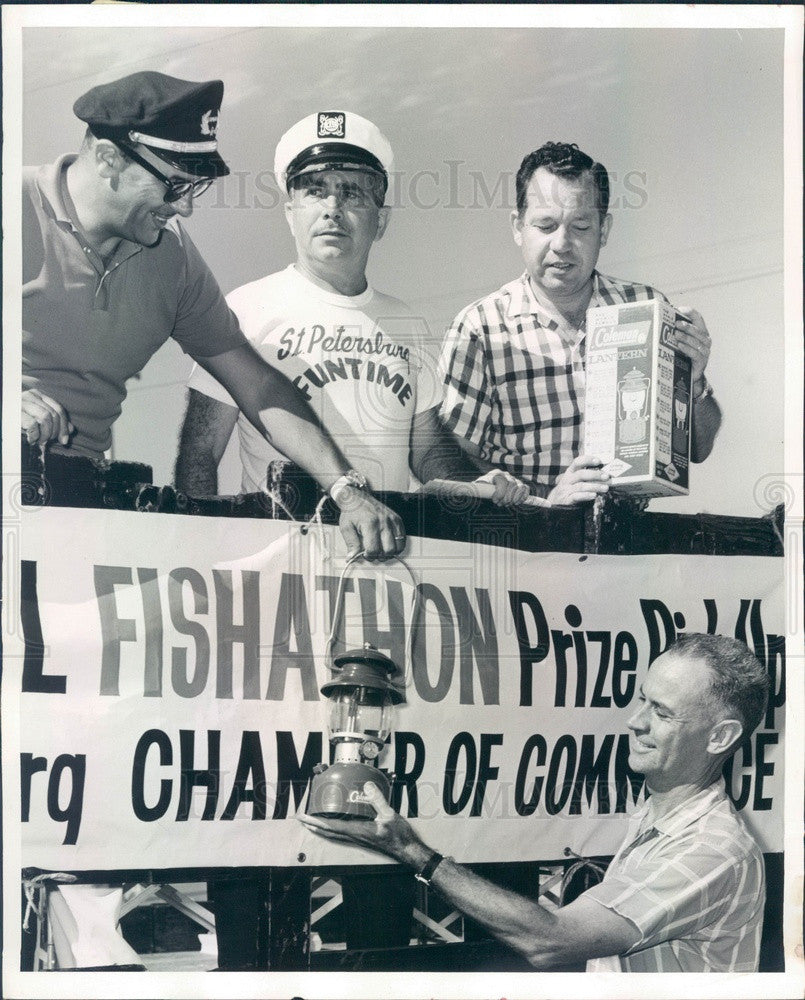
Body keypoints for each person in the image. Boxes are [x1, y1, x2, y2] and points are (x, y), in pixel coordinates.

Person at [22, 71, 406, 560]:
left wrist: (346, 491)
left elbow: (258, 386)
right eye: (175, 185)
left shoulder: (172, 256)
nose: (184, 208)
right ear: (108, 159)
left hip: (75, 512)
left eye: (194, 188)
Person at [300, 633, 769, 972]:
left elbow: (550, 941)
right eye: (642, 700)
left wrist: (412, 852)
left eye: (661, 712)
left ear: (721, 736)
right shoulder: (659, 810)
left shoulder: (711, 850)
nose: (633, 721)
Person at [174, 109, 528, 507]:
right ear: (290, 213)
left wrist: (481, 484)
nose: (332, 208)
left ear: (381, 221)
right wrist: (199, 542)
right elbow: (199, 455)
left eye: (352, 193)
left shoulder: (406, 324)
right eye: (314, 190)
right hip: (277, 556)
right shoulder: (244, 310)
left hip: (386, 555)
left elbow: (429, 453)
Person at [437, 142, 723, 504]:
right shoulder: (480, 328)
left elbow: (697, 449)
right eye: (545, 225)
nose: (562, 243)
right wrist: (545, 501)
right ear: (517, 227)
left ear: (603, 230)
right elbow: (450, 465)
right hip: (529, 546)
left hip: (629, 543)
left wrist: (695, 383)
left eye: (581, 226)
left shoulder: (646, 309)